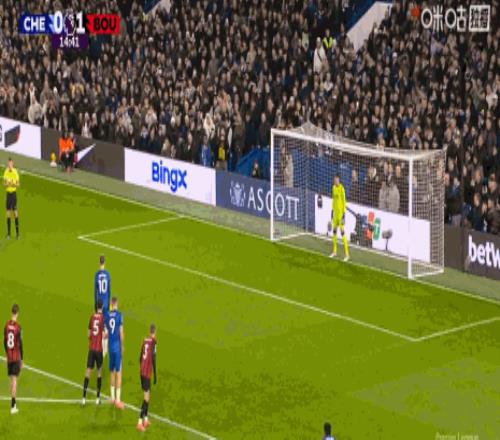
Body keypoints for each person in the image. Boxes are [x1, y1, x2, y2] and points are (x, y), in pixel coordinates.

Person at [82, 299, 107, 405]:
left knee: (88, 371)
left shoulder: (92, 317)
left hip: (91, 349)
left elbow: (88, 334)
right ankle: (97, 398)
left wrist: (92, 338)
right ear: (102, 307)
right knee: (99, 372)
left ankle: (83, 398)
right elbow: (104, 335)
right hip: (99, 350)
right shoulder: (103, 318)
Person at [136, 324, 157, 432]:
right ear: (155, 332)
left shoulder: (145, 340)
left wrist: (142, 368)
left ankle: (146, 419)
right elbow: (153, 358)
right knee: (146, 398)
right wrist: (155, 374)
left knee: (148, 394)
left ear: (149, 331)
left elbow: (140, 357)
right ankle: (139, 422)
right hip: (147, 373)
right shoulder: (154, 342)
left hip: (142, 371)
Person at [3, 304, 23, 414]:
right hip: (15, 357)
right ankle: (13, 406)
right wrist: (21, 359)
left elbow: (4, 341)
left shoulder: (6, 325)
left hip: (9, 357)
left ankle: (13, 403)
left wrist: (7, 353)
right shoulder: (18, 327)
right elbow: (20, 344)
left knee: (11, 380)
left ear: (11, 312)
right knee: (14, 381)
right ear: (17, 313)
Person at [106, 297, 124, 409]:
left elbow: (107, 332)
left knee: (111, 372)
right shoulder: (119, 315)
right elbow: (121, 332)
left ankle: (112, 398)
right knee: (119, 373)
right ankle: (118, 400)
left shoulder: (107, 315)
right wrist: (122, 346)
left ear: (111, 304)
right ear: (116, 304)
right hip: (117, 348)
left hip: (110, 347)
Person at [330, 174, 349, 261]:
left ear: (339, 180)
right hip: (335, 214)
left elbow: (344, 202)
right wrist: (332, 210)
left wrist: (344, 214)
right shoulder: (333, 188)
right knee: (334, 232)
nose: (335, 181)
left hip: (340, 215)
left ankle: (347, 254)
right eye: (334, 180)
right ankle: (334, 251)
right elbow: (334, 200)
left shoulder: (342, 189)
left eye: (337, 180)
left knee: (342, 233)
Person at [3, 158, 20, 239]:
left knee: (15, 213)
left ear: (12, 164)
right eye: (8, 164)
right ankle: (9, 234)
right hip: (8, 194)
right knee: (8, 213)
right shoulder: (6, 172)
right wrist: (7, 184)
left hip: (13, 194)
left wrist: (13, 184)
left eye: (10, 164)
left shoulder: (15, 172)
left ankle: (17, 234)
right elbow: (4, 184)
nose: (9, 165)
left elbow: (18, 184)